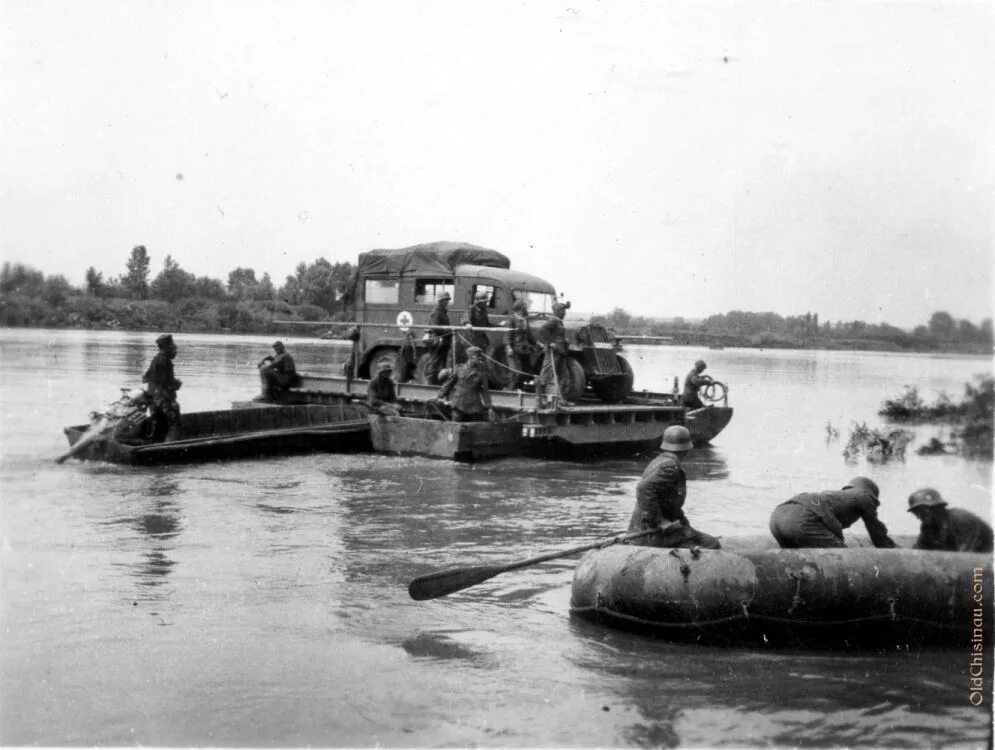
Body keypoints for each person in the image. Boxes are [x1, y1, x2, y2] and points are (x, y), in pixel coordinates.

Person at [627, 425, 721, 549]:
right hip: (655, 534)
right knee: (711, 543)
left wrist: (686, 527)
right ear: (686, 449)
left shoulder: (659, 461)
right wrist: (660, 521)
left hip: (646, 529)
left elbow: (669, 506)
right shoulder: (671, 467)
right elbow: (643, 488)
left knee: (699, 537)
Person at [769, 477, 897, 549]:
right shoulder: (864, 496)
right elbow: (876, 531)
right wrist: (892, 549)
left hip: (777, 518)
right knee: (842, 555)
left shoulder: (835, 496)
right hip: (800, 520)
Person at [908, 488, 993, 553]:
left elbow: (967, 557)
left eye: (923, 510)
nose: (919, 516)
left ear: (938, 507)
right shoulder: (928, 527)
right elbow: (919, 551)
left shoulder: (961, 519)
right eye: (916, 512)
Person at [436, 346, 495, 423]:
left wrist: (489, 407)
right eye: (478, 357)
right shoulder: (459, 368)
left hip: (474, 404)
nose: (480, 359)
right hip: (459, 402)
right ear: (472, 357)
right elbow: (448, 384)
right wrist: (439, 396)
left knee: (475, 425)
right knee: (455, 423)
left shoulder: (482, 372)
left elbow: (485, 391)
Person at [142, 333, 182, 442]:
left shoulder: (157, 360)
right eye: (173, 348)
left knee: (160, 426)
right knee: (174, 423)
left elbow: (148, 378)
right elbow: (165, 383)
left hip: (153, 398)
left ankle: (156, 446)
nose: (175, 351)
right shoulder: (163, 361)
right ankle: (171, 448)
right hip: (163, 399)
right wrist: (176, 384)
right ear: (166, 347)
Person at [535, 301, 571, 406]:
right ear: (557, 311)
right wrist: (550, 342)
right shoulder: (553, 320)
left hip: (560, 352)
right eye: (562, 311)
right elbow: (542, 330)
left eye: (564, 311)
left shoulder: (559, 321)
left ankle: (561, 400)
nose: (564, 313)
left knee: (564, 376)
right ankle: (540, 399)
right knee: (546, 375)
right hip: (553, 352)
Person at [504, 299, 535, 389]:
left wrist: (537, 343)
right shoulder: (512, 319)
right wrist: (508, 346)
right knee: (515, 371)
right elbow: (508, 334)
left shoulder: (525, 319)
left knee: (526, 371)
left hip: (524, 349)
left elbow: (529, 335)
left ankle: (520, 389)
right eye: (525, 306)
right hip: (514, 350)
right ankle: (511, 390)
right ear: (520, 308)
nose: (527, 308)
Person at [425, 291, 453, 384]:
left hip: (443, 341)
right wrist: (448, 331)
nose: (447, 302)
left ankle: (437, 383)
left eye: (447, 300)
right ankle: (431, 385)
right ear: (440, 301)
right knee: (434, 363)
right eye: (445, 300)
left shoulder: (442, 311)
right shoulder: (436, 312)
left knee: (441, 364)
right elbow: (435, 327)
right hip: (437, 341)